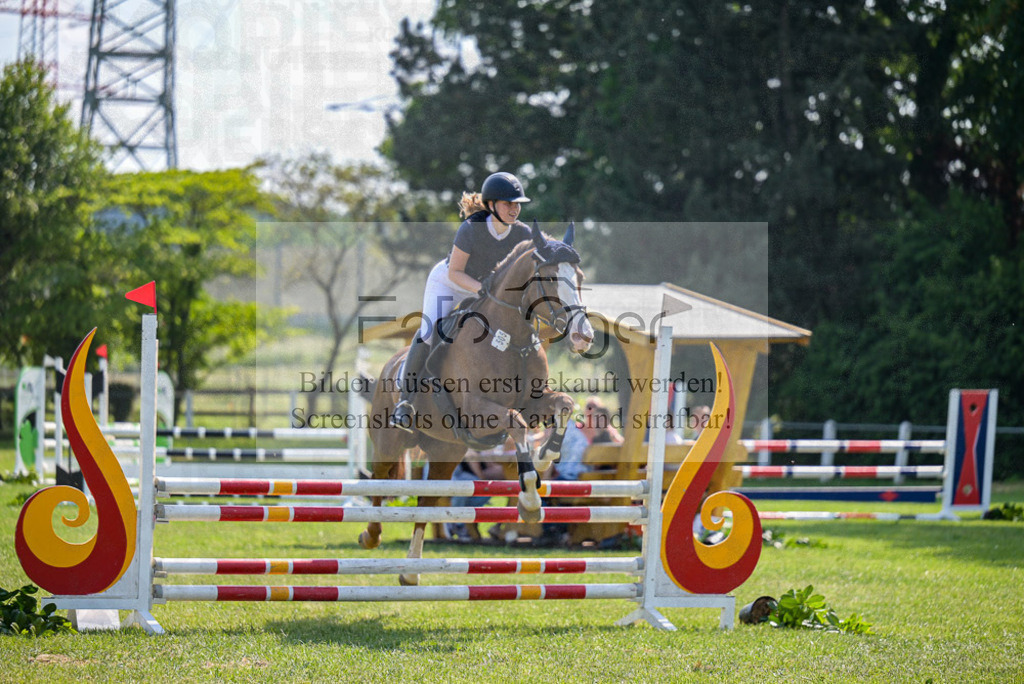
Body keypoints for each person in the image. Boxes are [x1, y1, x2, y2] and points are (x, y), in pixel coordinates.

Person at [391, 172, 534, 432]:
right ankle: (405, 402)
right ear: (491, 205)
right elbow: (454, 273)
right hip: (450, 283)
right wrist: (483, 290)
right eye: (508, 203)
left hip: (484, 290)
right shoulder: (471, 228)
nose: (514, 209)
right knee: (430, 330)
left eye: (517, 204)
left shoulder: (522, 233)